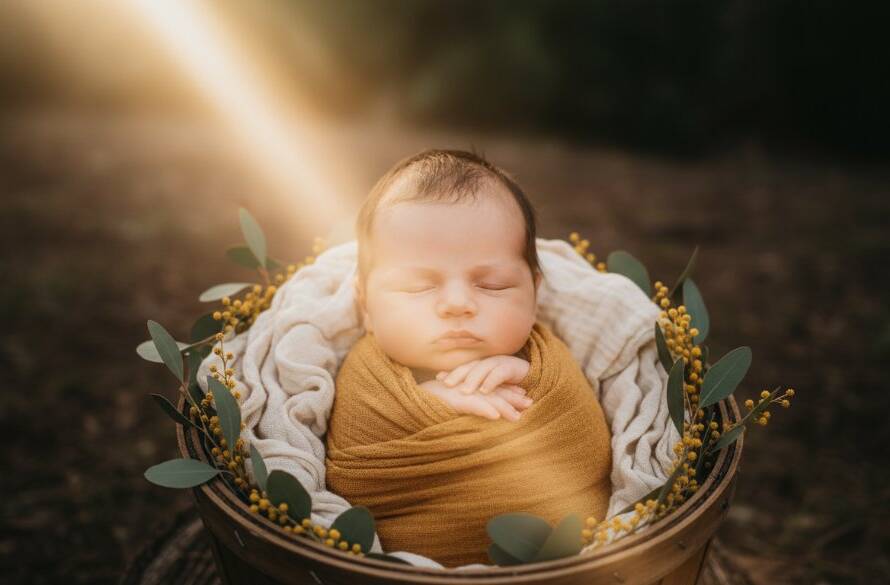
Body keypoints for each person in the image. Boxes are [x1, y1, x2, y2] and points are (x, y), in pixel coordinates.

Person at [325, 149, 612, 566]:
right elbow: (350, 468)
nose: (457, 303)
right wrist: (429, 399)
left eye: (493, 285)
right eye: (417, 286)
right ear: (365, 305)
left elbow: (584, 439)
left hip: (563, 559)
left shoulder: (548, 357)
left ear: (534, 295)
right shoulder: (364, 373)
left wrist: (528, 376)